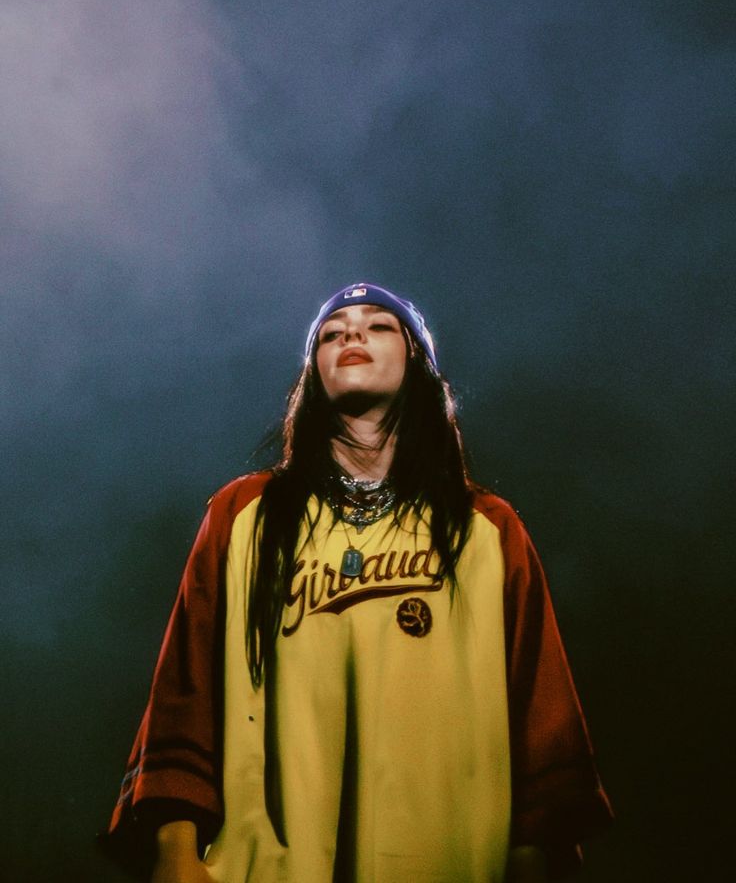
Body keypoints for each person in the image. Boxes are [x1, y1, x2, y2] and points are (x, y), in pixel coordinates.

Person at [100, 283, 613, 882]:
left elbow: (539, 715)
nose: (351, 336)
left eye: (377, 326)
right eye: (332, 332)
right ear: (312, 374)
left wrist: (534, 857)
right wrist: (175, 853)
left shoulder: (486, 529)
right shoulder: (244, 514)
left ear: (417, 361)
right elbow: (185, 695)